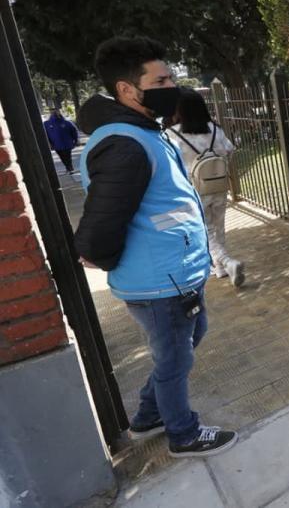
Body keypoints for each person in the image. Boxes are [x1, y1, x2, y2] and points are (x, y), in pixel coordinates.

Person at [74, 36, 236, 457]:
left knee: (185, 341)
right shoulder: (125, 143)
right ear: (128, 89)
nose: (173, 85)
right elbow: (98, 229)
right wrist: (109, 258)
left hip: (172, 272)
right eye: (162, 79)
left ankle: (149, 416)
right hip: (160, 281)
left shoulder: (142, 130)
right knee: (176, 360)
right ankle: (182, 433)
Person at [168, 87, 245, 287]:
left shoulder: (171, 135)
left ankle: (227, 262)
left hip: (192, 190)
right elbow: (229, 150)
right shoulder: (215, 129)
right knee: (218, 227)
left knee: (205, 230)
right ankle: (220, 268)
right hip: (219, 186)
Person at [44, 107, 80, 173]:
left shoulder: (67, 123)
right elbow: (45, 135)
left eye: (56, 111)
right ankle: (68, 168)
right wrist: (49, 143)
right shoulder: (46, 124)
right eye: (52, 112)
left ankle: (70, 168)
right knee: (62, 157)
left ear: (59, 112)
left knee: (67, 157)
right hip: (56, 144)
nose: (54, 113)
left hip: (67, 144)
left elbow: (74, 131)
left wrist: (76, 140)